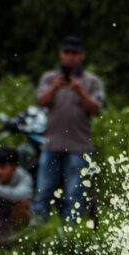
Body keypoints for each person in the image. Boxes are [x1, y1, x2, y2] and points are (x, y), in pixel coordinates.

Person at [33, 36, 104, 223]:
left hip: (78, 147)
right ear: (61, 54)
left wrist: (80, 91)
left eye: (74, 53)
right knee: (43, 193)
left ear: (82, 55)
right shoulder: (49, 78)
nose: (70, 57)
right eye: (67, 52)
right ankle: (36, 235)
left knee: (75, 195)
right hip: (51, 144)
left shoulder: (91, 82)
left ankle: (70, 238)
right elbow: (42, 102)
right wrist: (55, 88)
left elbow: (96, 109)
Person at [0, 148, 33, 250]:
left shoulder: (24, 177)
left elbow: (20, 195)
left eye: (3, 167)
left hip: (16, 220)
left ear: (14, 168)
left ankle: (19, 243)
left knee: (23, 205)